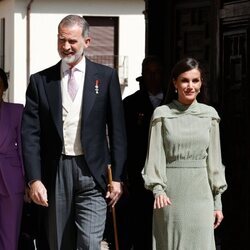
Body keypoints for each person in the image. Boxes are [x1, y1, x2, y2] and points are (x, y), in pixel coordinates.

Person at [21, 15, 127, 250]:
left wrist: (118, 177)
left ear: (87, 42)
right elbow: (30, 135)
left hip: (93, 172)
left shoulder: (106, 77)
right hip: (56, 170)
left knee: (90, 243)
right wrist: (34, 179)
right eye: (61, 40)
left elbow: (117, 130)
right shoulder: (40, 81)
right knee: (59, 242)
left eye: (72, 41)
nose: (66, 46)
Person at [142, 57, 227, 250]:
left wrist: (217, 203)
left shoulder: (210, 115)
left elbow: (215, 162)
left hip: (201, 197)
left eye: (195, 80)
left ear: (201, 83)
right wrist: (158, 190)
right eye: (184, 80)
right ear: (174, 83)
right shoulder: (162, 114)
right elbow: (154, 157)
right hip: (170, 196)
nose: (190, 86)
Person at [122, 56, 165, 250]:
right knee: (140, 225)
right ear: (143, 74)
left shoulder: (174, 102)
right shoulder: (130, 104)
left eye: (157, 72)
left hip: (167, 173)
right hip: (139, 173)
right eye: (149, 72)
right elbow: (122, 141)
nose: (153, 77)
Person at [0, 68, 25, 250]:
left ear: (4, 87)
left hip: (10, 180)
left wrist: (29, 181)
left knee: (9, 236)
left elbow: (25, 149)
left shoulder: (16, 111)